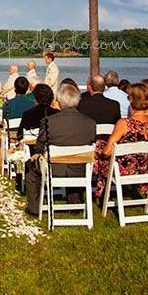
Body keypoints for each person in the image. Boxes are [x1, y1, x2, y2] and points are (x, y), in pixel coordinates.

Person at [24, 84, 95, 215]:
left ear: (60, 101)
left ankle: (34, 208)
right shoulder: (90, 123)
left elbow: (39, 147)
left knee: (31, 168)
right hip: (81, 169)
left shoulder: (49, 122)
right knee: (74, 162)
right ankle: (75, 203)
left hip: (54, 169)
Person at [93, 83, 148, 197]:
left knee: (99, 149)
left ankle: (97, 189)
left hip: (122, 170)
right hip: (142, 168)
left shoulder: (124, 124)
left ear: (132, 100)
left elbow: (106, 152)